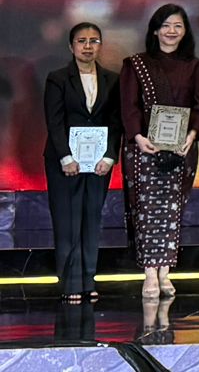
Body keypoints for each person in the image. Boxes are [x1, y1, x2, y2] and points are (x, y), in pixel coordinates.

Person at [120, 4, 199, 300]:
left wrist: (192, 135)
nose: (171, 31)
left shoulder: (197, 67)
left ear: (185, 31)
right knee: (146, 211)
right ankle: (149, 273)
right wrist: (138, 137)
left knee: (172, 211)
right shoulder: (135, 64)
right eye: (166, 25)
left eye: (178, 26)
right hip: (143, 148)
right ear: (155, 30)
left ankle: (165, 272)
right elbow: (129, 106)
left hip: (181, 149)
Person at [43, 22, 121, 303]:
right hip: (65, 163)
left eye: (94, 41)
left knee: (92, 220)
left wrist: (109, 156)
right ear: (71, 46)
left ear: (101, 45)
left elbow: (116, 121)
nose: (88, 46)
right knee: (67, 222)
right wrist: (66, 157)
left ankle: (89, 280)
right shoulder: (58, 78)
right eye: (81, 41)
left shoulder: (113, 79)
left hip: (99, 163)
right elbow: (54, 121)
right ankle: (70, 283)